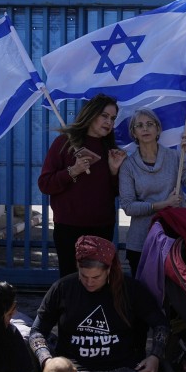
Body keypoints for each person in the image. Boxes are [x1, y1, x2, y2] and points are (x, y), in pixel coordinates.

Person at [28, 236, 169, 372]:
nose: (89, 282)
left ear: (109, 270)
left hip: (122, 370)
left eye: (96, 277)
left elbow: (160, 324)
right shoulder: (63, 288)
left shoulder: (130, 289)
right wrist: (47, 360)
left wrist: (155, 356)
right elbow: (37, 331)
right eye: (83, 276)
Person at [38, 95, 127, 278]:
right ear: (91, 114)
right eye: (104, 115)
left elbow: (117, 192)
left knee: (98, 281)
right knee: (71, 281)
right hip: (69, 227)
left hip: (102, 226)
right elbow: (45, 184)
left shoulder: (110, 149)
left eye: (112, 118)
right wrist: (73, 171)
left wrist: (113, 171)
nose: (109, 122)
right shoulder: (64, 143)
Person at [119, 108, 186, 276]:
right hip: (141, 241)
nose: (145, 129)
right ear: (134, 133)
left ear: (158, 129)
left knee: (173, 295)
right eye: (140, 125)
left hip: (174, 237)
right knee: (145, 297)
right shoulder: (128, 166)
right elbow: (128, 207)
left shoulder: (175, 157)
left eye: (150, 124)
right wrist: (164, 204)